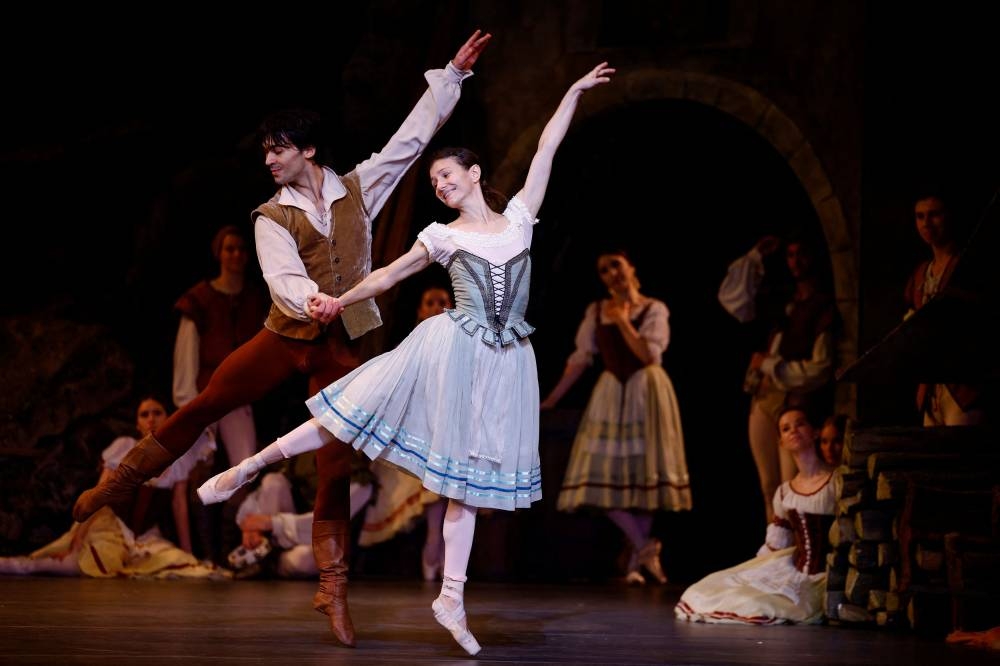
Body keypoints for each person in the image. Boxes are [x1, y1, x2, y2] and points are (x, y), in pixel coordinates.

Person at [71, 30, 491, 648]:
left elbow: (410, 140)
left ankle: (333, 587)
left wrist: (452, 74)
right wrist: (310, 300)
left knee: (334, 462)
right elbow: (282, 278)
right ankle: (120, 482)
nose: (269, 160)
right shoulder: (270, 216)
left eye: (280, 149)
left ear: (308, 150)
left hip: (344, 344)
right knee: (209, 402)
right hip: (287, 334)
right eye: (266, 151)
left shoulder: (358, 188)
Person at [197, 62, 617, 656]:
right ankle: (248, 467)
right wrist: (338, 299)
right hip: (451, 348)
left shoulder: (521, 219)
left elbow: (547, 147)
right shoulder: (441, 236)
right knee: (352, 411)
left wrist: (571, 91)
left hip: (505, 362)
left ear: (474, 173)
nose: (440, 186)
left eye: (447, 175)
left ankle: (452, 597)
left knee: (465, 485)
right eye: (434, 182)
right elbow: (387, 276)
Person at [540, 250, 691, 585]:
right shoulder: (596, 311)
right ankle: (645, 547)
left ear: (631, 267)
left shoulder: (654, 309)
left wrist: (623, 321)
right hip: (611, 394)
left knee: (644, 476)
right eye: (604, 270)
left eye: (616, 265)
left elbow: (648, 355)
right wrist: (551, 399)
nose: (611, 273)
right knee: (601, 476)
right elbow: (579, 360)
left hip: (646, 390)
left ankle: (634, 564)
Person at [0, 396, 223, 579]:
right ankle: (17, 565)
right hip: (112, 524)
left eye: (157, 413)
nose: (151, 419)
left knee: (180, 562)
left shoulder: (177, 461)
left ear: (167, 418)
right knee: (82, 562)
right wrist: (78, 538)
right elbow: (100, 491)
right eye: (144, 414)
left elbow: (179, 505)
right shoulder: (124, 447)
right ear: (137, 423)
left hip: (146, 536)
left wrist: (187, 550)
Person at [674, 404, 835, 625]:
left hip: (826, 575)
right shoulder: (785, 492)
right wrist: (759, 569)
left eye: (800, 424)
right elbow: (777, 543)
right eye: (786, 428)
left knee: (764, 605)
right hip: (795, 569)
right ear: (781, 442)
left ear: (815, 432)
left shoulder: (834, 481)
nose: (793, 431)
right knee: (713, 590)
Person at [718, 233, 839, 523]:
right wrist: (755, 256)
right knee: (768, 485)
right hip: (764, 396)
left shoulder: (822, 306)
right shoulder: (781, 298)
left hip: (795, 400)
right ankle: (774, 542)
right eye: (790, 255)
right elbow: (732, 299)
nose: (795, 262)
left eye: (802, 254)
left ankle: (797, 543)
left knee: (793, 482)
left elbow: (821, 367)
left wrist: (772, 365)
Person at [173, 223, 270, 561]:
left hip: (239, 398)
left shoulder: (255, 299)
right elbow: (187, 355)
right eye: (229, 249)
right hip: (207, 396)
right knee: (201, 468)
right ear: (219, 254)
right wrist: (188, 403)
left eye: (241, 249)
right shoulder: (200, 300)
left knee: (246, 469)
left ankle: (233, 548)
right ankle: (204, 553)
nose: (236, 255)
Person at [357, 284, 454, 581]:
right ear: (420, 311)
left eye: (442, 301)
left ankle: (439, 547)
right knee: (427, 476)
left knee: (446, 477)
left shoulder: (460, 343)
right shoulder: (413, 344)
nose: (437, 307)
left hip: (448, 426)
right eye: (430, 302)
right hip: (414, 427)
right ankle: (433, 544)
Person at [904, 190, 987, 426]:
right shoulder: (921, 273)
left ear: (949, 216)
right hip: (930, 387)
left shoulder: (966, 267)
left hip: (962, 386)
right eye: (920, 216)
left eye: (934, 215)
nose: (926, 223)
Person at [231, 466, 374, 579]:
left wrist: (272, 523)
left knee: (306, 559)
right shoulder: (305, 460)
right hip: (286, 530)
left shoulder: (360, 483)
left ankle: (272, 565)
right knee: (273, 481)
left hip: (322, 541)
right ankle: (262, 554)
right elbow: (265, 489)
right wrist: (252, 525)